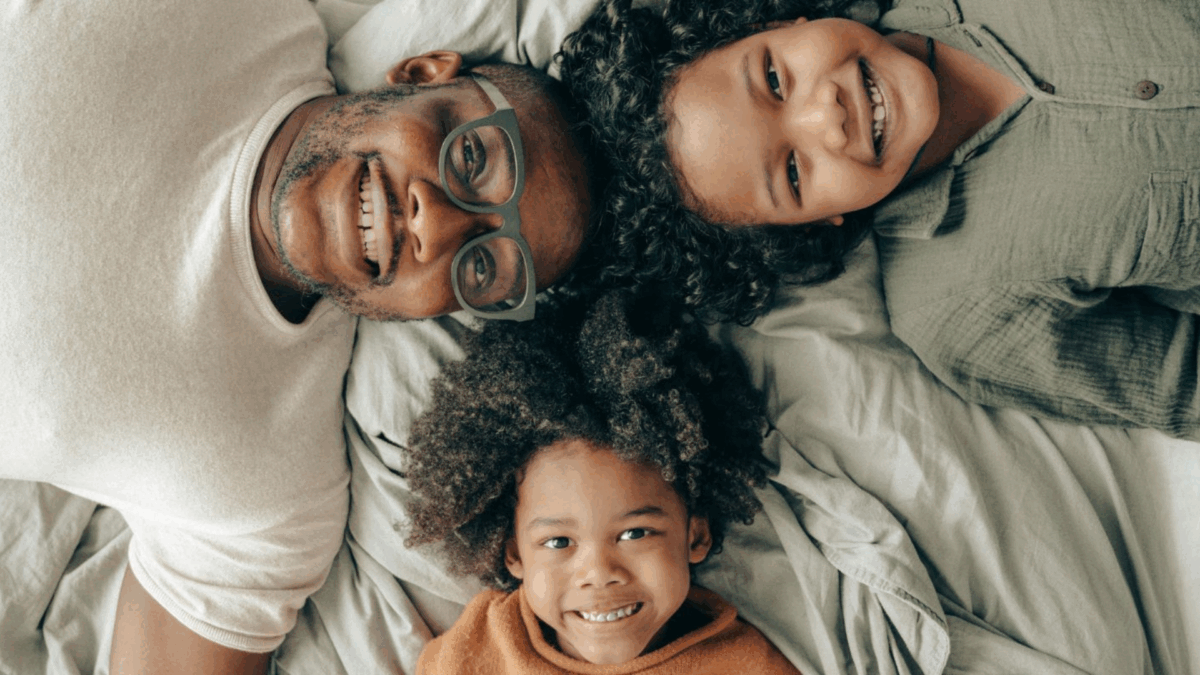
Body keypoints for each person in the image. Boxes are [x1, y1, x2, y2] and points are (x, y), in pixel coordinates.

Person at [0, 0, 598, 672]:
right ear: (424, 72)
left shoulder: (270, 491)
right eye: (473, 158)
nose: (437, 225)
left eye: (482, 265)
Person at [558, 0, 1200, 438]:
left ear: (780, 18)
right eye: (791, 173)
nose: (825, 117)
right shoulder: (958, 313)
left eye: (775, 79)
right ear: (815, 224)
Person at [400, 291, 800, 673]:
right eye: (558, 542)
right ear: (514, 555)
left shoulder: (745, 664)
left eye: (635, 533)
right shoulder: (476, 651)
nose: (599, 571)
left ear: (695, 536)